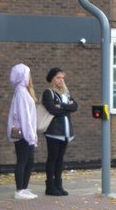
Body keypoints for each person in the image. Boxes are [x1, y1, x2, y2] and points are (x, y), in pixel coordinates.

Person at [41, 67, 78, 196]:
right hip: (53, 131)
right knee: (53, 158)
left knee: (60, 159)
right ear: (52, 79)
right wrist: (66, 109)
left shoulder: (65, 93)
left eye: (63, 78)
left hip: (65, 131)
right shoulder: (48, 93)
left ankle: (59, 185)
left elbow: (75, 106)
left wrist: (62, 106)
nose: (61, 80)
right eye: (58, 78)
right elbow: (52, 110)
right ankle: (50, 186)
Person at [7, 64, 38, 200]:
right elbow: (23, 115)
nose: (30, 77)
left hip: (27, 132)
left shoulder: (23, 91)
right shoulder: (21, 92)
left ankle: (24, 188)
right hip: (23, 133)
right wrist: (30, 135)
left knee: (29, 161)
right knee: (23, 160)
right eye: (28, 74)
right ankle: (19, 190)